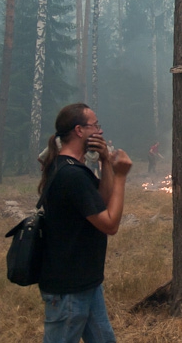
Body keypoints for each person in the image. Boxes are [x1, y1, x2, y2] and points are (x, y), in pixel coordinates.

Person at [37, 103, 132, 343]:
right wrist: (120, 176)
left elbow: (100, 202)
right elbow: (110, 224)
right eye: (95, 125)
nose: (99, 131)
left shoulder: (74, 168)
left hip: (86, 283)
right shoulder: (71, 176)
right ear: (79, 130)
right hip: (69, 289)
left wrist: (106, 162)